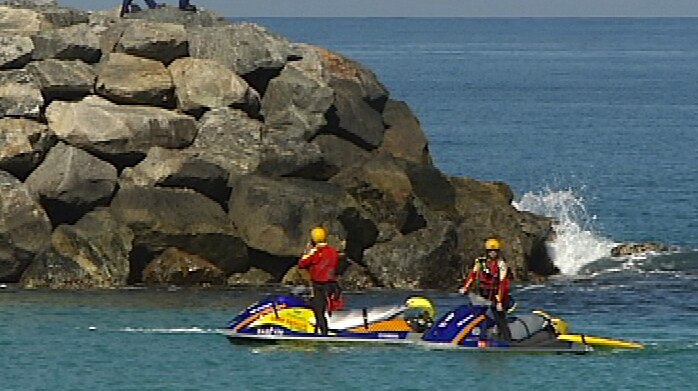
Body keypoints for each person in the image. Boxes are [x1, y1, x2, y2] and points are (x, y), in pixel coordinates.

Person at [459, 238, 512, 342]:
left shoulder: (501, 265)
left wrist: (500, 302)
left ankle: (507, 340)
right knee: (476, 314)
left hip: (497, 295)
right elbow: (472, 276)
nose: (493, 253)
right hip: (483, 294)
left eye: (495, 251)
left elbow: (502, 283)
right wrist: (465, 288)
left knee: (500, 319)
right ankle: (477, 336)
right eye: (490, 251)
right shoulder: (480, 262)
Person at [298, 226, 342, 335]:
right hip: (332, 285)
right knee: (329, 307)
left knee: (319, 310)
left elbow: (302, 264)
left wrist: (308, 252)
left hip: (319, 285)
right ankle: (328, 325)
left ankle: (323, 332)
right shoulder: (333, 251)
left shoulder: (316, 252)